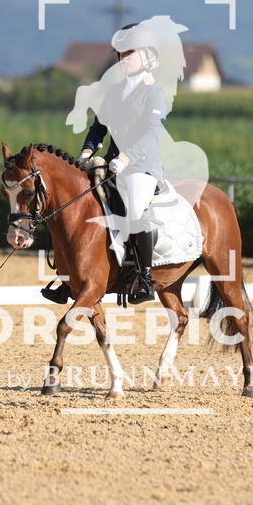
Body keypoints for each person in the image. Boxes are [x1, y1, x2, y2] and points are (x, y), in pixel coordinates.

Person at [77, 22, 167, 304]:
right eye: (120, 54)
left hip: (141, 166)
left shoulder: (155, 92)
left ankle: (144, 277)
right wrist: (87, 152)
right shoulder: (115, 91)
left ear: (149, 57)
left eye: (130, 53)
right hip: (112, 164)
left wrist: (125, 157)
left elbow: (151, 132)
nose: (122, 59)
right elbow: (98, 127)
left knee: (135, 211)